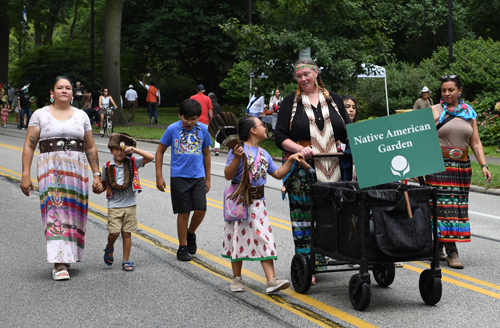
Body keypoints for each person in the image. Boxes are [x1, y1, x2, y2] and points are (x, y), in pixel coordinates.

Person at [274, 58, 350, 284]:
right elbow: (279, 136)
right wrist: (299, 149)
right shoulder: (290, 102)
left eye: (307, 74)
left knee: (330, 213)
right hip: (302, 168)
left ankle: (324, 256)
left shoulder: (334, 99)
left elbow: (347, 131)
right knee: (304, 215)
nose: (303, 79)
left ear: (316, 73)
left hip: (334, 167)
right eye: (299, 76)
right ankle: (307, 263)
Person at [20, 76, 102, 280]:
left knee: (74, 213)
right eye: (59, 88)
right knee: (55, 212)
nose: (64, 91)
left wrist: (96, 174)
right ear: (52, 93)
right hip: (51, 172)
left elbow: (90, 146)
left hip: (77, 172)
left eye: (67, 88)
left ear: (73, 94)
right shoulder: (40, 115)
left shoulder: (82, 116)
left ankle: (68, 255)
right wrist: (25, 174)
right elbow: (30, 145)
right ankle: (58, 263)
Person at [223, 115, 304, 293]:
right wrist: (236, 158)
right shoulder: (237, 149)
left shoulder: (263, 153)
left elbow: (278, 174)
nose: (265, 128)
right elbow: (228, 175)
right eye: (261, 125)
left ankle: (271, 280)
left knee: (264, 237)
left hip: (258, 203)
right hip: (240, 202)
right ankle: (236, 278)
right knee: (237, 238)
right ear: (253, 130)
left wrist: (290, 160)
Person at [425, 75, 491, 269]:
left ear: (459, 90)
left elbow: (475, 141)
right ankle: (452, 251)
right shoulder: (434, 111)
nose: (446, 93)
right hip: (439, 166)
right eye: (444, 90)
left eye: (451, 90)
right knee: (444, 209)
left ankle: (437, 246)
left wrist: (484, 165)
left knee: (457, 209)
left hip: (462, 167)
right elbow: (416, 134)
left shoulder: (469, 113)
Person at [155, 99, 212, 261]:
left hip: (198, 176)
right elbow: (159, 152)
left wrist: (208, 178)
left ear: (198, 118)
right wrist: (159, 176)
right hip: (179, 177)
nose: (189, 122)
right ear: (180, 115)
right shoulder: (172, 129)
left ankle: (190, 233)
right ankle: (182, 247)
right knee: (184, 212)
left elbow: (206, 154)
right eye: (186, 118)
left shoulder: (203, 130)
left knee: (201, 209)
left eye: (193, 119)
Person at [96, 133, 154, 271]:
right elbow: (104, 185)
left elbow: (150, 157)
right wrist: (97, 188)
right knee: (114, 232)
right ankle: (109, 247)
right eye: (115, 149)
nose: (119, 152)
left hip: (130, 204)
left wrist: (133, 150)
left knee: (127, 233)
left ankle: (126, 260)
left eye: (122, 148)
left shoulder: (133, 162)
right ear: (111, 150)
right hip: (114, 205)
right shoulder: (107, 166)